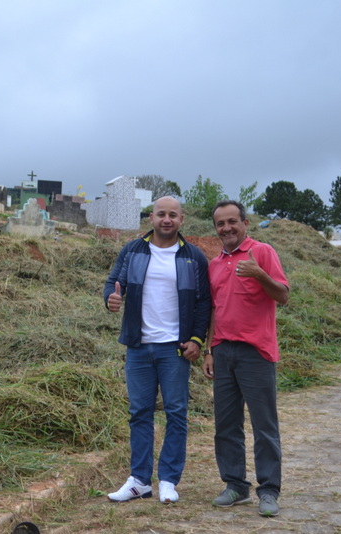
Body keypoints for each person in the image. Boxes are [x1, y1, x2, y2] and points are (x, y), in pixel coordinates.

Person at [103, 196, 211, 504]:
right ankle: (139, 480)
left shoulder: (193, 257)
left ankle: (168, 480)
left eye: (172, 215)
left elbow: (204, 302)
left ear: (181, 220)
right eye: (161, 214)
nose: (166, 219)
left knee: (176, 413)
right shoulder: (133, 250)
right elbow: (113, 283)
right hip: (138, 346)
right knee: (140, 413)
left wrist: (197, 339)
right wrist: (111, 298)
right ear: (151, 218)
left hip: (174, 349)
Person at [201, 200, 290, 518]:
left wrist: (259, 274)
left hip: (257, 352)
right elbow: (214, 309)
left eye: (232, 222)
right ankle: (236, 485)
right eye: (220, 223)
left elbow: (283, 295)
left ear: (245, 223)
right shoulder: (214, 264)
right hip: (223, 352)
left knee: (264, 425)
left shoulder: (262, 252)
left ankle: (269, 490)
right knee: (226, 424)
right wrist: (209, 350)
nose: (226, 228)